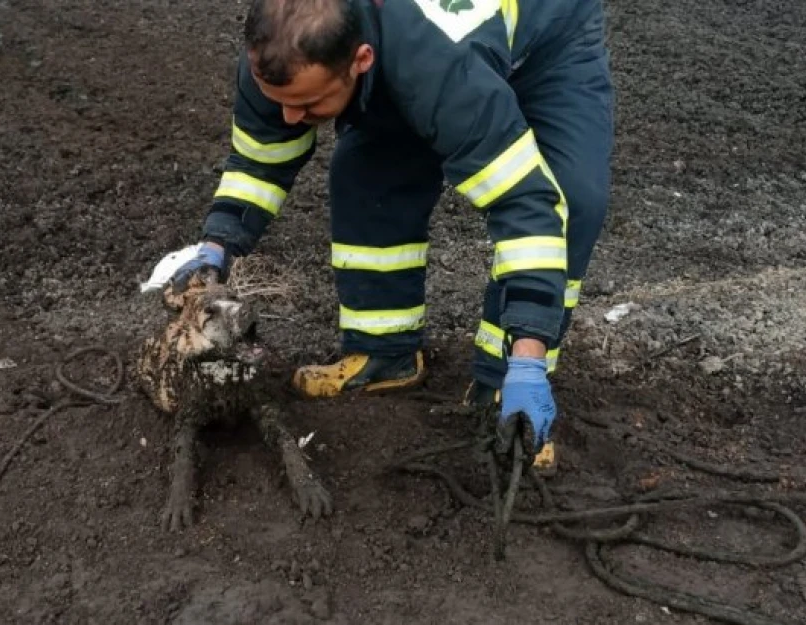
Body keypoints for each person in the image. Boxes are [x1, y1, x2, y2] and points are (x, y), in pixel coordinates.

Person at [166, 0, 614, 469]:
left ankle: (505, 388)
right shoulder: (279, 43)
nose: (292, 117)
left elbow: (523, 204)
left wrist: (527, 356)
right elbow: (260, 159)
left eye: (308, 104)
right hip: (414, 52)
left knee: (570, 199)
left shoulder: (440, 72)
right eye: (280, 100)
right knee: (368, 167)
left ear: (361, 59)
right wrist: (217, 244)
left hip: (547, 37)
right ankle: (385, 355)